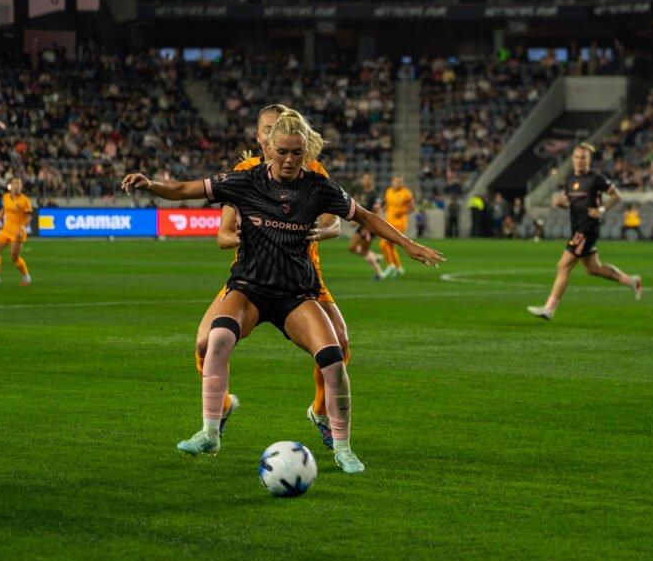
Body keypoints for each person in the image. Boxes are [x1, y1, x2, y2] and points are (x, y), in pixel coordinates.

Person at [121, 109, 443, 473]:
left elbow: (365, 217)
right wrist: (151, 186)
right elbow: (184, 189)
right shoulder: (245, 180)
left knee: (334, 359)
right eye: (283, 151)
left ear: (306, 151)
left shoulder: (317, 187)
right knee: (217, 339)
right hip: (250, 287)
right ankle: (210, 431)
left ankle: (343, 447)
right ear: (268, 147)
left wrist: (407, 244)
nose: (289, 160)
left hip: (296, 293)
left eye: (297, 152)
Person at [195, 104, 345, 449]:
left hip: (303, 280)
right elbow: (223, 235)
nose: (271, 135)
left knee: (340, 344)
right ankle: (221, 405)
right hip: (251, 278)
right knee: (205, 343)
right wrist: (247, 234)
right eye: (267, 129)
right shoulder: (244, 173)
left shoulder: (312, 171)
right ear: (259, 136)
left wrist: (324, 230)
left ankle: (321, 413)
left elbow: (335, 219)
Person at [528, 142, 642, 320]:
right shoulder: (570, 180)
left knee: (563, 266)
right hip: (577, 227)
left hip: (587, 229)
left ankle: (549, 309)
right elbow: (572, 203)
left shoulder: (596, 179)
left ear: (589, 160)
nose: (579, 161)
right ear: (572, 159)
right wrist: (561, 203)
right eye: (576, 158)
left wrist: (601, 210)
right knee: (593, 268)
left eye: (583, 158)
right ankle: (631, 281)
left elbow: (616, 196)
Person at [0, 177, 32, 286]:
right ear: (10, 186)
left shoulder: (25, 200)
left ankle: (26, 278)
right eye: (15, 183)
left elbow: (28, 217)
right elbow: (3, 210)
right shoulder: (5, 197)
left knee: (14, 257)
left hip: (17, 232)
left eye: (19, 184)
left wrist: (22, 228)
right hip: (6, 230)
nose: (17, 186)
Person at [348, 172, 385, 280]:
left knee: (361, 250)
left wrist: (378, 228)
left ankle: (379, 273)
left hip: (368, 226)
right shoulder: (364, 193)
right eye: (364, 179)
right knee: (352, 248)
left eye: (367, 179)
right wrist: (355, 220)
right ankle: (374, 257)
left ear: (371, 181)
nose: (365, 181)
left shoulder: (374, 195)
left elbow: (377, 211)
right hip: (363, 224)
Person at [380, 175, 415, 278]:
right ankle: (399, 268)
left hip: (400, 223)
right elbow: (387, 204)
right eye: (397, 182)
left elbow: (412, 208)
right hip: (389, 222)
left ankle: (390, 265)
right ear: (393, 182)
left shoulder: (406, 193)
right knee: (390, 245)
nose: (399, 184)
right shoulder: (388, 191)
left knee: (383, 243)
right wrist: (383, 209)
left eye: (400, 182)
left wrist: (402, 212)